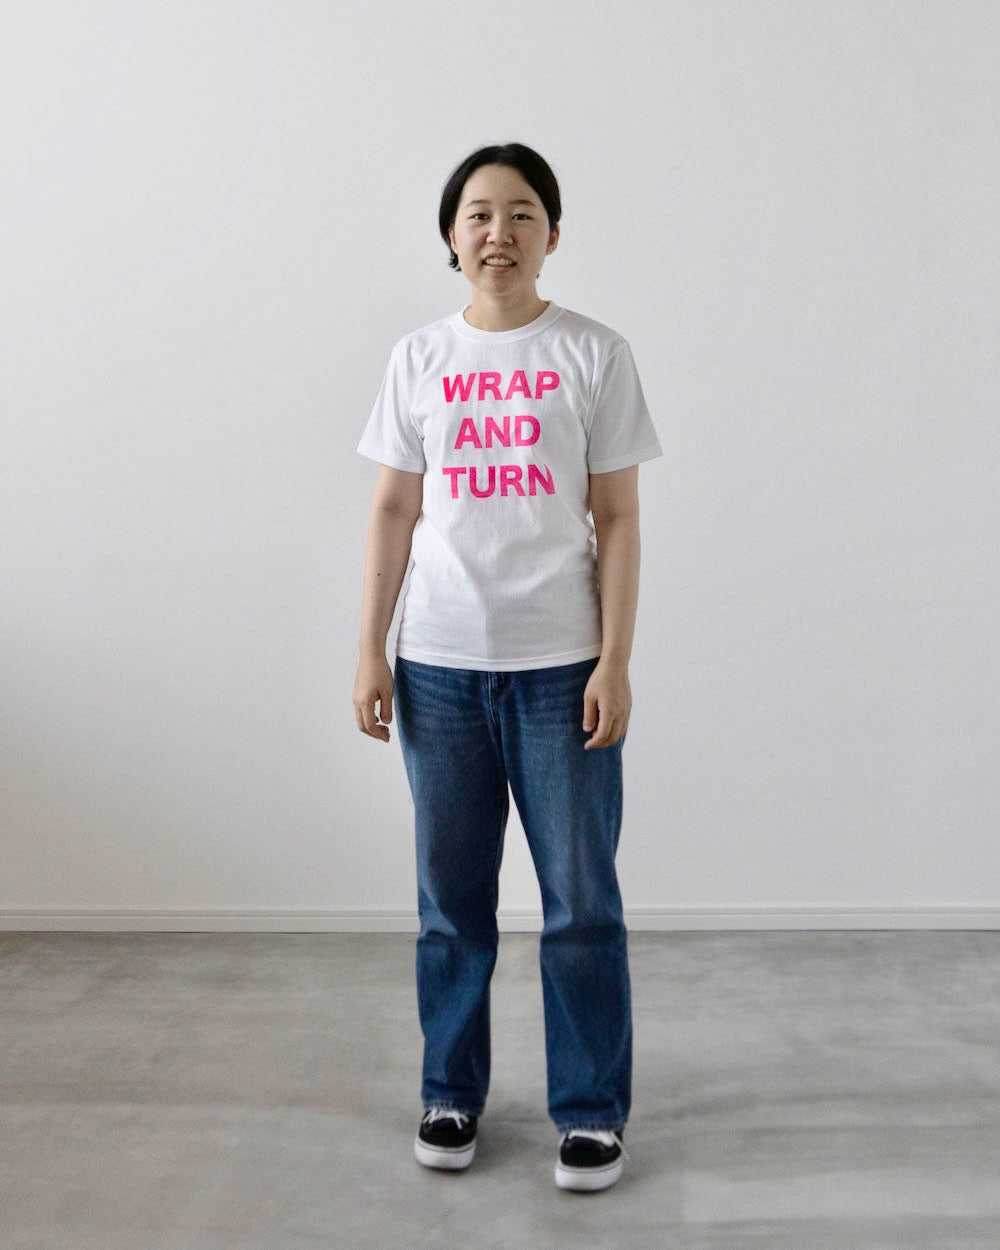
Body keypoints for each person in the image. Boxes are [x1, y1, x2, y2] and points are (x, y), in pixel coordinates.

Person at [352, 142, 661, 1192]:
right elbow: (393, 509)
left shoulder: (593, 352)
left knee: (580, 901)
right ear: (452, 235)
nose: (500, 232)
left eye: (522, 213)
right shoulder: (419, 357)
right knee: (450, 902)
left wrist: (615, 660)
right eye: (479, 214)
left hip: (561, 667)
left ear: (553, 234)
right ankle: (450, 1093)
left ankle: (591, 1111)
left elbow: (617, 518)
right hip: (437, 666)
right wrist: (369, 649)